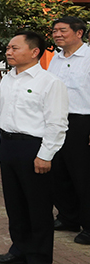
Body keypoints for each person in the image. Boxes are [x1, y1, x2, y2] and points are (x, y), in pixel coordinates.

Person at [0, 31, 68, 264]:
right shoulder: (8, 79)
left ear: (34, 52)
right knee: (15, 203)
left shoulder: (50, 82)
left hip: (34, 148)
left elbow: (57, 123)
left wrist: (45, 155)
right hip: (10, 146)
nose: (9, 52)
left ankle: (39, 260)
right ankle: (19, 249)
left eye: (14, 47)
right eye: (8, 47)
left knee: (38, 206)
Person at [48, 17, 90, 244]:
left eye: (63, 30)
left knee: (83, 176)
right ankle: (68, 217)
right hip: (56, 121)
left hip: (82, 122)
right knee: (58, 173)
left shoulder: (88, 58)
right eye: (55, 31)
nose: (57, 34)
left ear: (79, 33)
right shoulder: (55, 58)